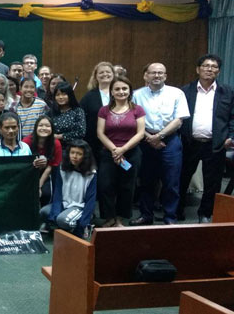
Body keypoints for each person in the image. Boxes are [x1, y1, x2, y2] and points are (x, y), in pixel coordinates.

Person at [130, 63, 190, 226]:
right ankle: (146, 215)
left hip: (170, 140)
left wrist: (160, 136)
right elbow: (134, 120)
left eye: (160, 73)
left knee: (171, 182)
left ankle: (170, 217)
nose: (157, 76)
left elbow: (179, 119)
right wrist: (150, 137)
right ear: (146, 76)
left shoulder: (176, 93)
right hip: (145, 140)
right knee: (146, 181)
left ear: (165, 76)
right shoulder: (136, 95)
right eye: (153, 73)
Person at [179, 54, 234, 223]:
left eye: (214, 67)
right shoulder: (185, 91)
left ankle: (205, 213)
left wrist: (230, 136)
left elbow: (232, 117)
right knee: (182, 178)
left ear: (218, 71)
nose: (210, 69)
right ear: (198, 69)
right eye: (206, 66)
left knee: (213, 182)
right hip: (189, 142)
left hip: (215, 144)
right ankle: (177, 210)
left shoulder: (228, 91)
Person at [97, 76, 145, 228]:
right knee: (106, 186)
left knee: (127, 187)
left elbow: (140, 133)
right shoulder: (104, 110)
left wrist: (123, 150)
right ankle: (109, 217)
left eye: (124, 88)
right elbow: (100, 133)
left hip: (131, 153)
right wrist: (114, 150)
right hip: (108, 154)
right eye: (117, 89)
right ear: (111, 91)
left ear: (130, 91)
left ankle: (119, 218)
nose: (121, 91)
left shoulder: (138, 109)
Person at [40, 139, 97, 237]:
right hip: (65, 203)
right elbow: (57, 193)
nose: (74, 156)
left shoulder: (91, 173)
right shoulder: (62, 168)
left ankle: (85, 224)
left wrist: (84, 222)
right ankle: (62, 225)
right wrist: (55, 212)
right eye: (72, 153)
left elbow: (91, 199)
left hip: (79, 206)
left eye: (79, 154)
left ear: (85, 156)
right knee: (44, 212)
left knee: (62, 220)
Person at [23, 116, 62, 204]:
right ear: (36, 128)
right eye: (41, 125)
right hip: (29, 172)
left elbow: (51, 167)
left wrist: (39, 186)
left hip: (47, 174)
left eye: (47, 126)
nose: (44, 128)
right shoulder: (26, 142)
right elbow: (23, 164)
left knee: (46, 193)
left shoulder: (56, 143)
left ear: (52, 129)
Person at [80, 61, 115, 161]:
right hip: (94, 142)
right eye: (101, 72)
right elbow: (82, 118)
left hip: (117, 140)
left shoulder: (120, 93)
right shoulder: (89, 96)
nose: (105, 74)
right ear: (95, 76)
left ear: (113, 74)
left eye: (108, 72)